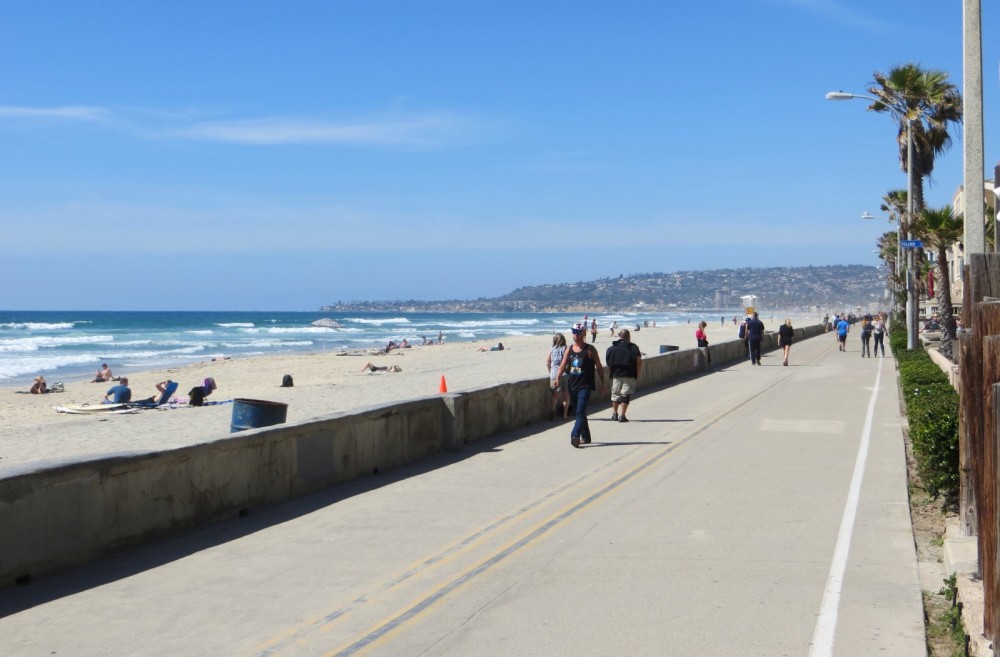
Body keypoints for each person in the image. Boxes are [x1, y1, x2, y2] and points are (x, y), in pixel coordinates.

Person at [554, 323, 606, 447]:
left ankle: (575, 435)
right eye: (573, 332)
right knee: (580, 413)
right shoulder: (569, 349)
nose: (575, 335)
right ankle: (586, 437)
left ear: (583, 333)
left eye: (577, 332)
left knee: (580, 411)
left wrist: (602, 383)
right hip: (573, 385)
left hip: (586, 385)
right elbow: (562, 364)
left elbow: (599, 367)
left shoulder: (590, 349)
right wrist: (557, 377)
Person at [605, 329, 642, 422]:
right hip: (629, 374)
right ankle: (622, 415)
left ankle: (614, 413)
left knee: (615, 394)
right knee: (625, 394)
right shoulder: (634, 348)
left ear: (619, 336)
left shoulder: (611, 349)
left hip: (616, 374)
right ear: (628, 336)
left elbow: (608, 363)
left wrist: (611, 372)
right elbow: (638, 363)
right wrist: (637, 374)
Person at [546, 333, 570, 420]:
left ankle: (553, 409)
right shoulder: (566, 348)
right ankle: (565, 414)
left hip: (555, 374)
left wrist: (550, 370)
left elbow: (548, 362)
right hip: (566, 374)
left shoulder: (551, 349)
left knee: (555, 394)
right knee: (566, 394)